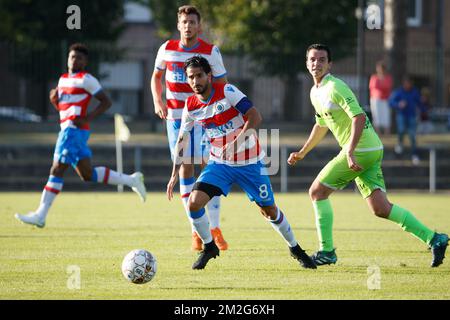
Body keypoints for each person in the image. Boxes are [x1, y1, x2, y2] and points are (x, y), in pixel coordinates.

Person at [287, 44, 448, 268]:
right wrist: (302, 152)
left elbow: (359, 117)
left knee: (317, 192)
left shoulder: (335, 86)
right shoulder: (315, 92)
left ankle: (327, 251)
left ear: (329, 64)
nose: (317, 63)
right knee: (381, 209)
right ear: (306, 63)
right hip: (370, 150)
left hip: (361, 150)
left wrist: (350, 151)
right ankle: (435, 239)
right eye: (313, 59)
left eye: (322, 59)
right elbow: (321, 124)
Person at [167, 56, 316, 270]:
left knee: (269, 211)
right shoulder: (190, 106)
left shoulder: (227, 91)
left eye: (199, 75)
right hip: (220, 164)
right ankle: (209, 247)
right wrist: (174, 172)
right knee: (194, 202)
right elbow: (182, 138)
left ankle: (295, 248)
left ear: (209, 75)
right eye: (191, 77)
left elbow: (255, 117)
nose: (195, 80)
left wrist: (236, 144)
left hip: (250, 163)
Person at [15, 43, 147, 228]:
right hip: (70, 130)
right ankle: (131, 179)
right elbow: (65, 109)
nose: (75, 60)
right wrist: (55, 103)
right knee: (87, 174)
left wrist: (87, 118)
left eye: (79, 57)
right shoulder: (62, 80)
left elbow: (106, 102)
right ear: (67, 59)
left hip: (73, 131)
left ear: (85, 62)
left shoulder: (87, 79)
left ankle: (40, 215)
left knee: (57, 170)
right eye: (72, 57)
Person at [151, 5, 228, 251]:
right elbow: (156, 77)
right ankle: (196, 231)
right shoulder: (167, 48)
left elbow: (222, 84)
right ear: (178, 25)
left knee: (210, 167)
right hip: (176, 118)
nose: (188, 26)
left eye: (192, 22)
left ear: (199, 26)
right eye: (184, 22)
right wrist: (158, 100)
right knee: (186, 168)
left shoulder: (210, 51)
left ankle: (214, 228)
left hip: (206, 118)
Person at [389, 76, 421, 165]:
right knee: (401, 130)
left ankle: (415, 155)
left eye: (410, 84)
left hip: (412, 116)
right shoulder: (399, 92)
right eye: (407, 84)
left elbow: (420, 103)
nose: (408, 85)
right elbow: (391, 102)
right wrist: (398, 104)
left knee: (412, 135)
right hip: (401, 115)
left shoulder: (415, 92)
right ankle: (399, 144)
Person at [368, 61, 393, 135]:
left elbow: (387, 87)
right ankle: (378, 133)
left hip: (385, 99)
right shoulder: (374, 77)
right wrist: (382, 85)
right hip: (376, 100)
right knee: (376, 116)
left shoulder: (388, 78)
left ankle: (386, 133)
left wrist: (381, 85)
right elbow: (373, 87)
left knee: (386, 117)